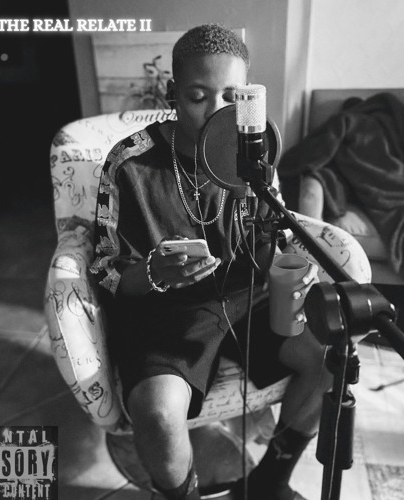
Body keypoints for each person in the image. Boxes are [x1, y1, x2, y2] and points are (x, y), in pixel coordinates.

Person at [90, 24, 333, 500]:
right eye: (198, 96)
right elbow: (104, 271)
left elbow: (271, 250)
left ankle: (269, 482)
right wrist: (154, 272)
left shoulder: (254, 152)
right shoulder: (129, 163)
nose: (216, 110)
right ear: (173, 93)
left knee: (330, 360)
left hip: (249, 300)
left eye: (231, 97)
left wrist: (279, 250)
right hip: (166, 313)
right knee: (158, 414)